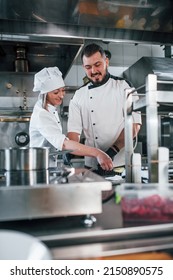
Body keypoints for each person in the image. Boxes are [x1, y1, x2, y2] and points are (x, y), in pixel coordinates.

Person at [67, 43, 142, 174]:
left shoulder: (123, 86)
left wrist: (112, 151)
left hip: (120, 164)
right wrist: (69, 149)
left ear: (106, 62)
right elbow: (74, 133)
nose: (93, 71)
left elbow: (134, 126)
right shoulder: (78, 95)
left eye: (97, 65)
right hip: (91, 165)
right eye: (88, 67)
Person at [29, 66, 113, 170]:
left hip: (46, 166)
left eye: (63, 90)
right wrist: (98, 153)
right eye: (56, 92)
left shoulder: (50, 110)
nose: (61, 95)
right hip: (39, 168)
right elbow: (63, 144)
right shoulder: (42, 114)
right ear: (45, 94)